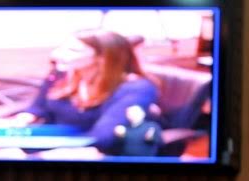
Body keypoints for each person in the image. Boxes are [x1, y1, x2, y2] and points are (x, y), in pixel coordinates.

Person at [15, 30, 159, 156]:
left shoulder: (135, 88)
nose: (56, 54)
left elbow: (103, 137)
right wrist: (23, 120)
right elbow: (39, 107)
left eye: (73, 50)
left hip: (96, 154)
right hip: (52, 142)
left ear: (103, 58)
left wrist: (42, 156)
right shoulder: (61, 74)